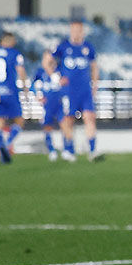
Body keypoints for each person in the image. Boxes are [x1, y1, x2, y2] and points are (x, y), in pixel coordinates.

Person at [46, 20, 100, 161]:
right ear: (70, 31)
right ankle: (68, 149)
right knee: (69, 120)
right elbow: (47, 62)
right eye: (74, 30)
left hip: (85, 90)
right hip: (69, 91)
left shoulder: (88, 47)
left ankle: (92, 151)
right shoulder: (63, 47)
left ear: (82, 31)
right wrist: (56, 77)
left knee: (89, 117)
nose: (76, 33)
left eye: (79, 30)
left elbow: (94, 66)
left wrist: (95, 84)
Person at [0, 31, 26, 164]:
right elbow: (21, 71)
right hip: (11, 92)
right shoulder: (15, 53)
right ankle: (7, 142)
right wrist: (26, 89)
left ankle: (1, 146)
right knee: (20, 120)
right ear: (10, 41)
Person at [33, 53, 71, 161]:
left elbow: (63, 83)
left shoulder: (59, 70)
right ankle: (51, 150)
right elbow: (34, 86)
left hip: (59, 103)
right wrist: (38, 96)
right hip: (47, 105)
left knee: (65, 125)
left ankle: (67, 150)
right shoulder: (40, 72)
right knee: (47, 127)